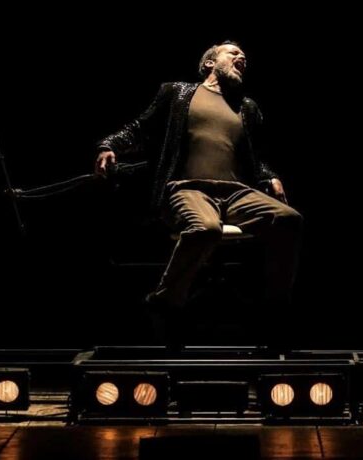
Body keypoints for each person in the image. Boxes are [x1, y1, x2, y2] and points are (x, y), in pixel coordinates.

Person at [95, 41, 302, 347]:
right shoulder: (177, 93)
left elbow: (253, 157)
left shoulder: (246, 107)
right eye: (233, 53)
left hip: (236, 194)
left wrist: (270, 176)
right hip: (188, 188)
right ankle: (164, 302)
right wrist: (109, 145)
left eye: (244, 56)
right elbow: (140, 127)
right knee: (205, 228)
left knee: (289, 219)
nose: (242, 57)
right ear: (209, 63)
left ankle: (274, 311)